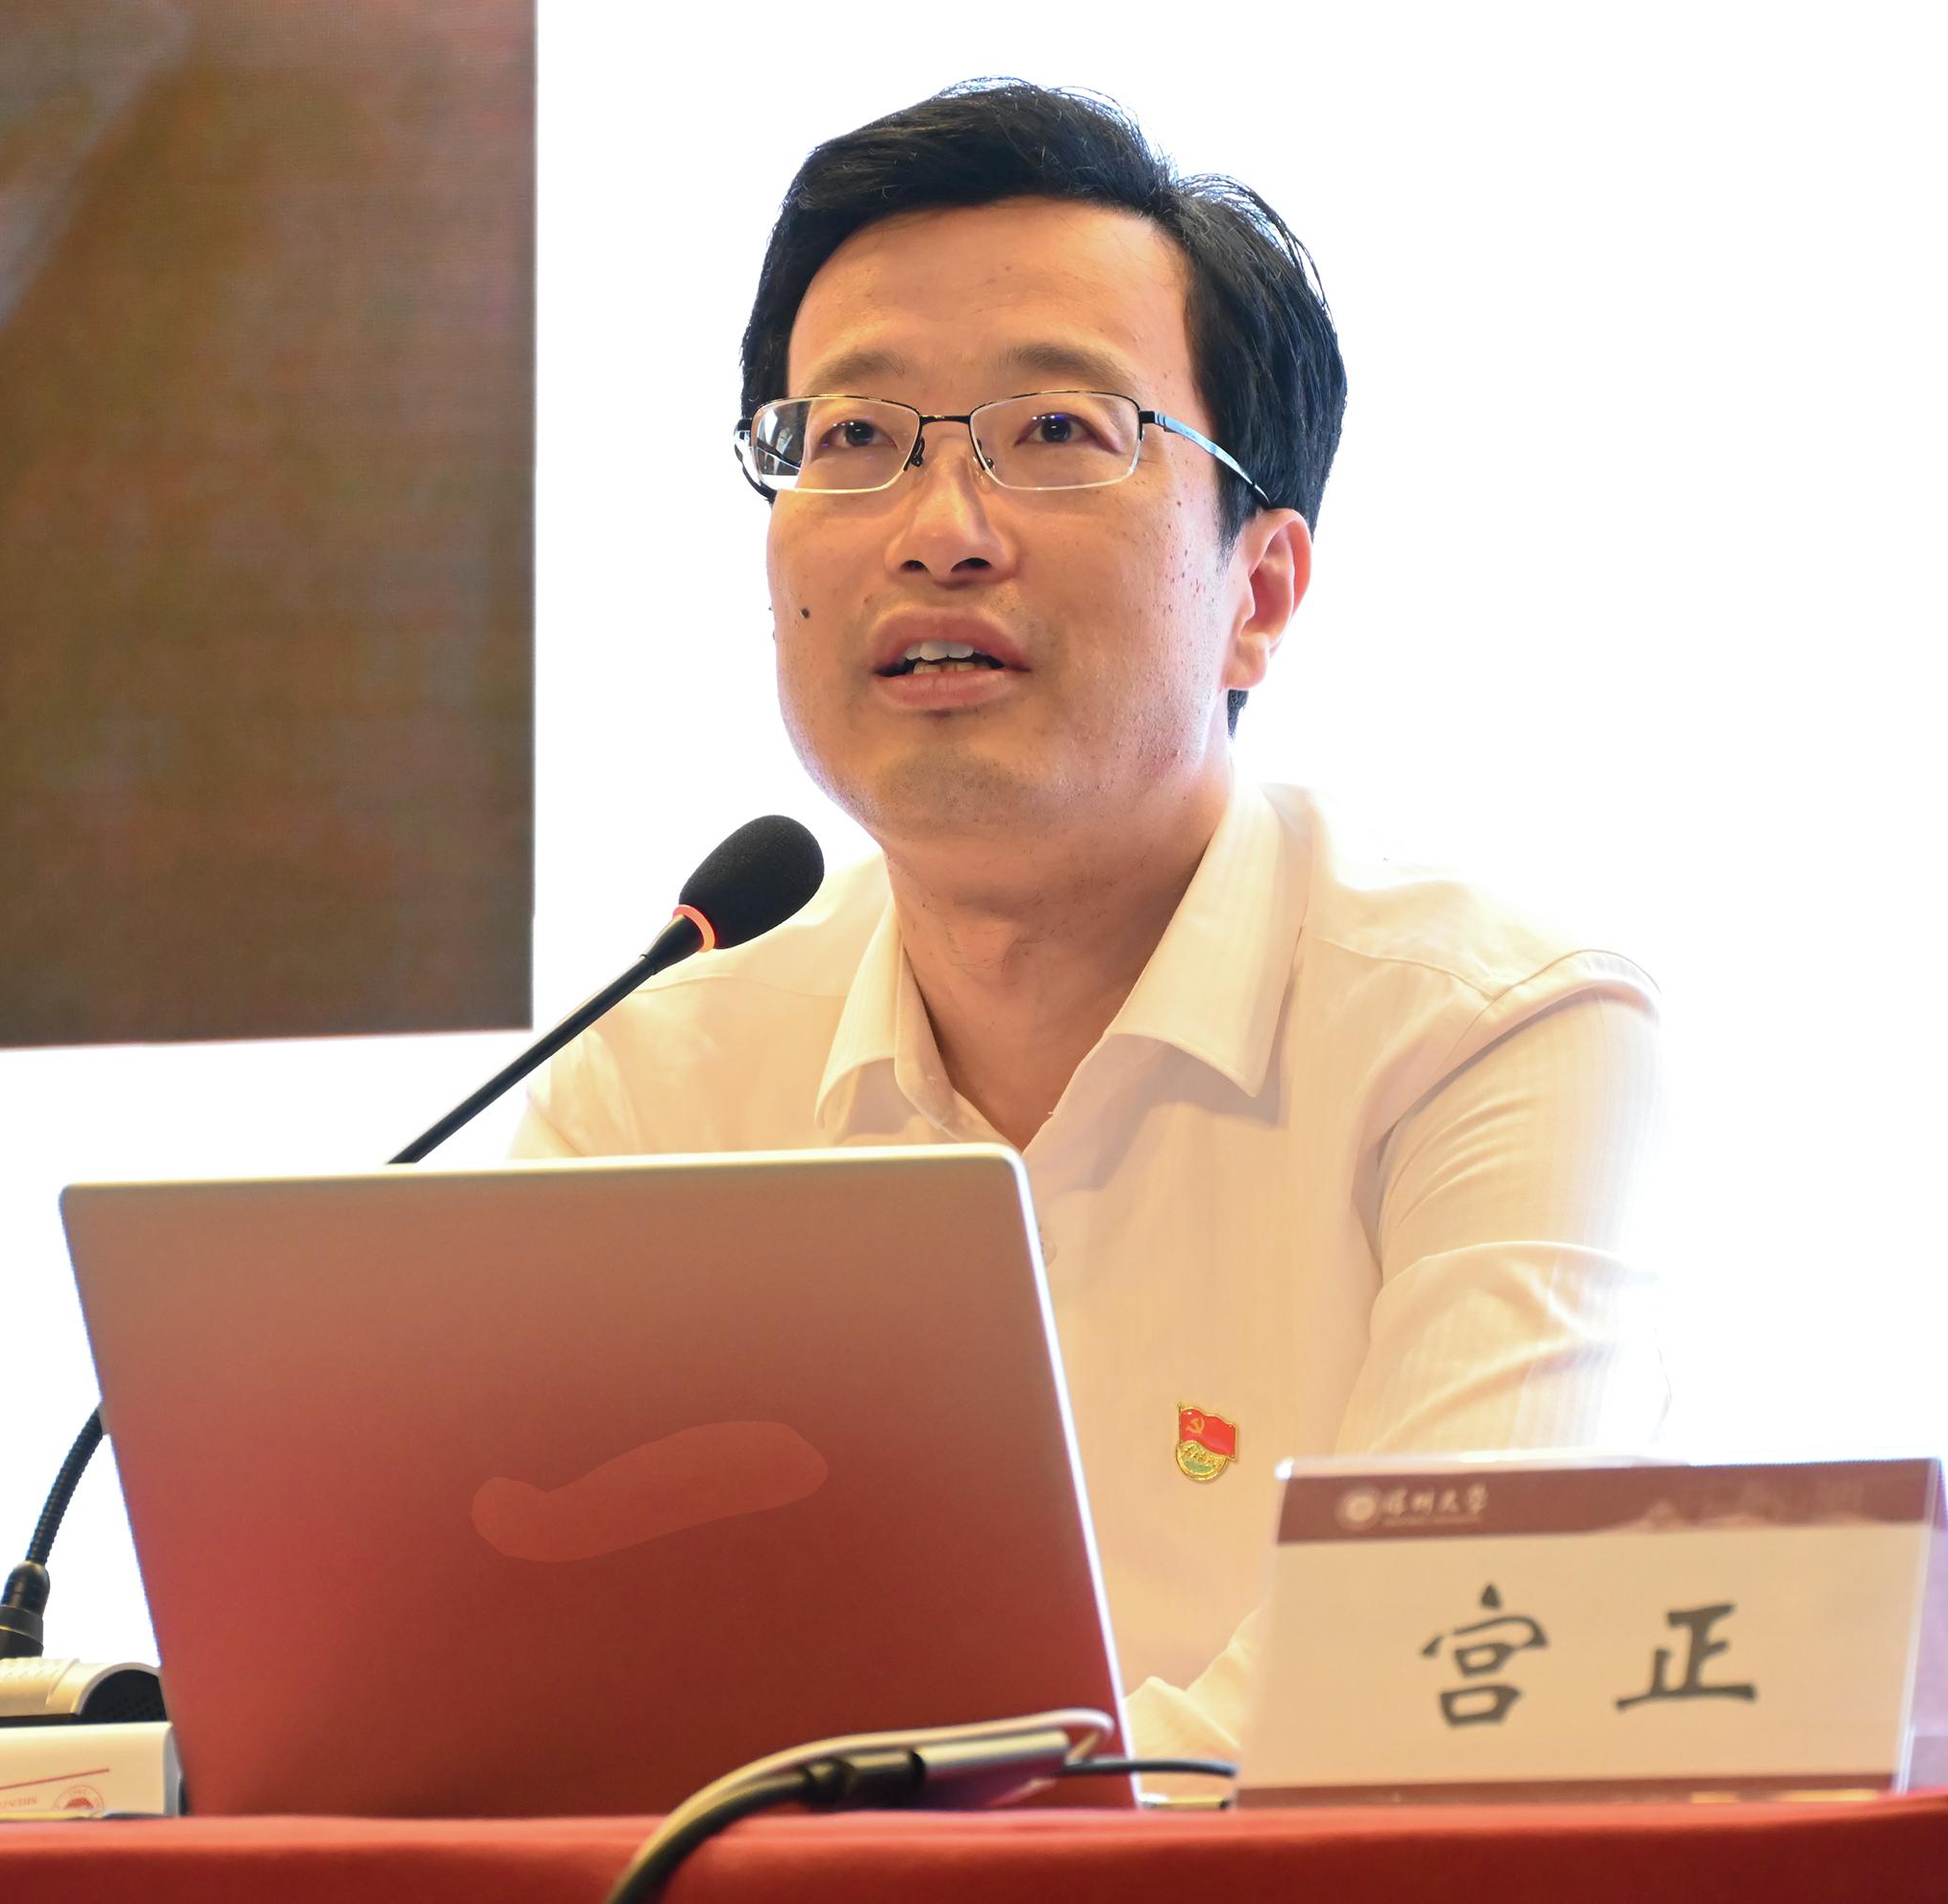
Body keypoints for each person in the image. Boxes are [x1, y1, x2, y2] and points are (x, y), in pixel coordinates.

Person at [512, 80, 1664, 1759]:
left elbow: (1433, 1685)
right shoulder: (653, 1086)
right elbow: (525, 1681)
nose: (938, 533)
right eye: (853, 439)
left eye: (1054, 433)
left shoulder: (1490, 1037)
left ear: (1258, 592)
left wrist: (908, 1840)